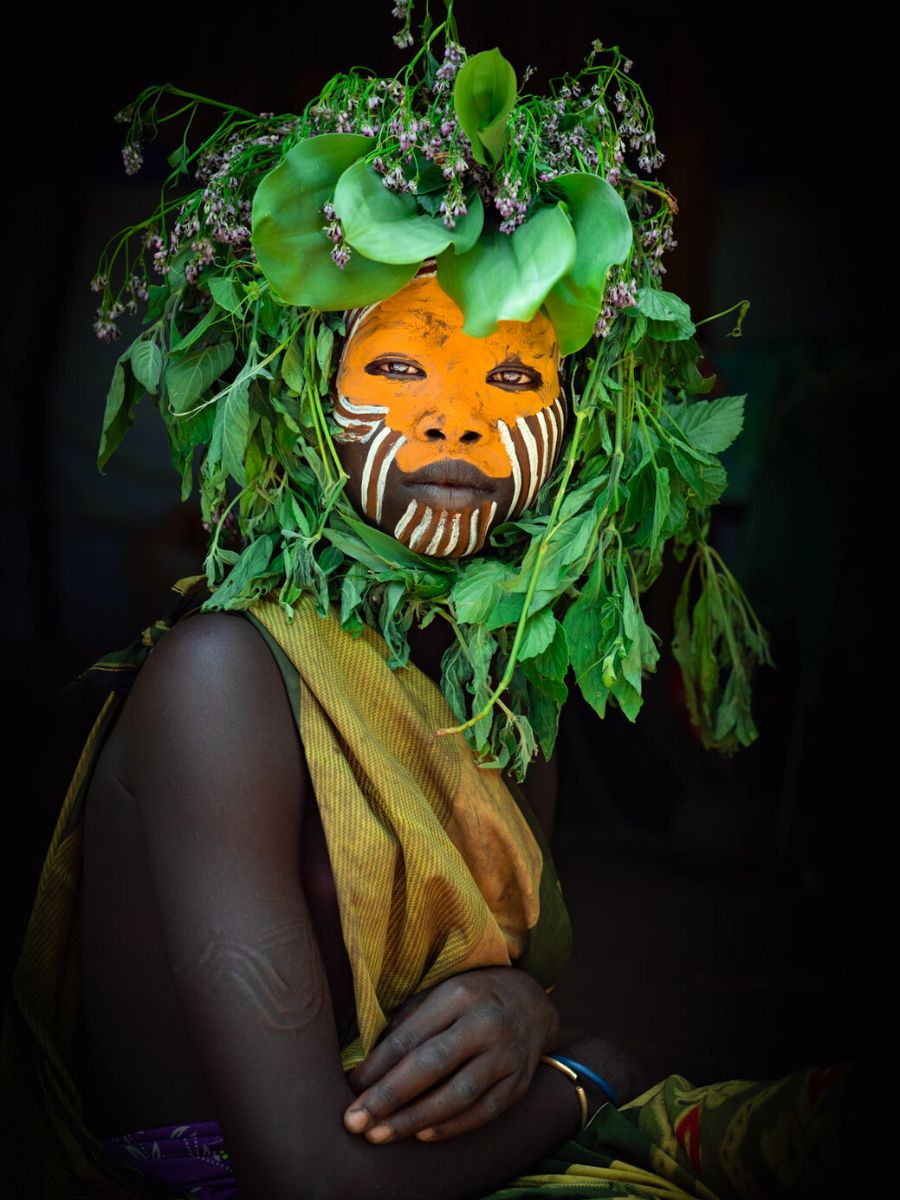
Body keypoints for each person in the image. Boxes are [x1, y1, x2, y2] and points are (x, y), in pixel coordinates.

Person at [1, 8, 869, 1197]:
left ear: (583, 431)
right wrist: (589, 1069)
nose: (455, 420)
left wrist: (523, 1008)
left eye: (512, 373)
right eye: (398, 365)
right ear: (305, 399)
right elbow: (313, 1176)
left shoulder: (504, 682)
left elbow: (480, 1004)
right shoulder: (220, 684)